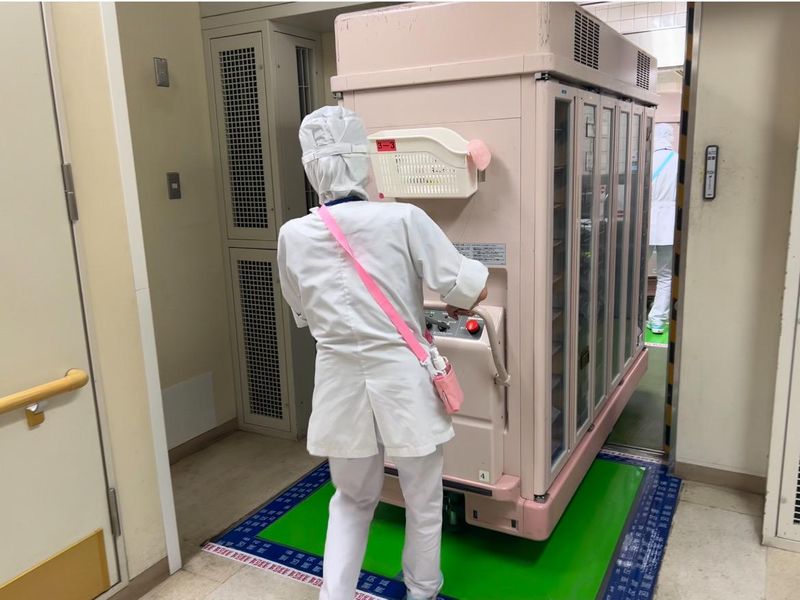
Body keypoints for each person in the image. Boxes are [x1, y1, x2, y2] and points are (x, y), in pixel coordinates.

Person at [277, 105, 489, 600]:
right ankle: (421, 592)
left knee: (350, 501)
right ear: (363, 162)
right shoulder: (403, 218)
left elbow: (302, 313)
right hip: (402, 379)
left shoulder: (293, 235)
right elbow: (468, 289)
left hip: (338, 381)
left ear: (311, 169)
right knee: (423, 500)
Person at [647, 123, 678, 335]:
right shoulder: (678, 160)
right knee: (666, 275)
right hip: (669, 225)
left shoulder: (647, 159)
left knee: (636, 273)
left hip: (646, 223)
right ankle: (657, 320)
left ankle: (633, 318)